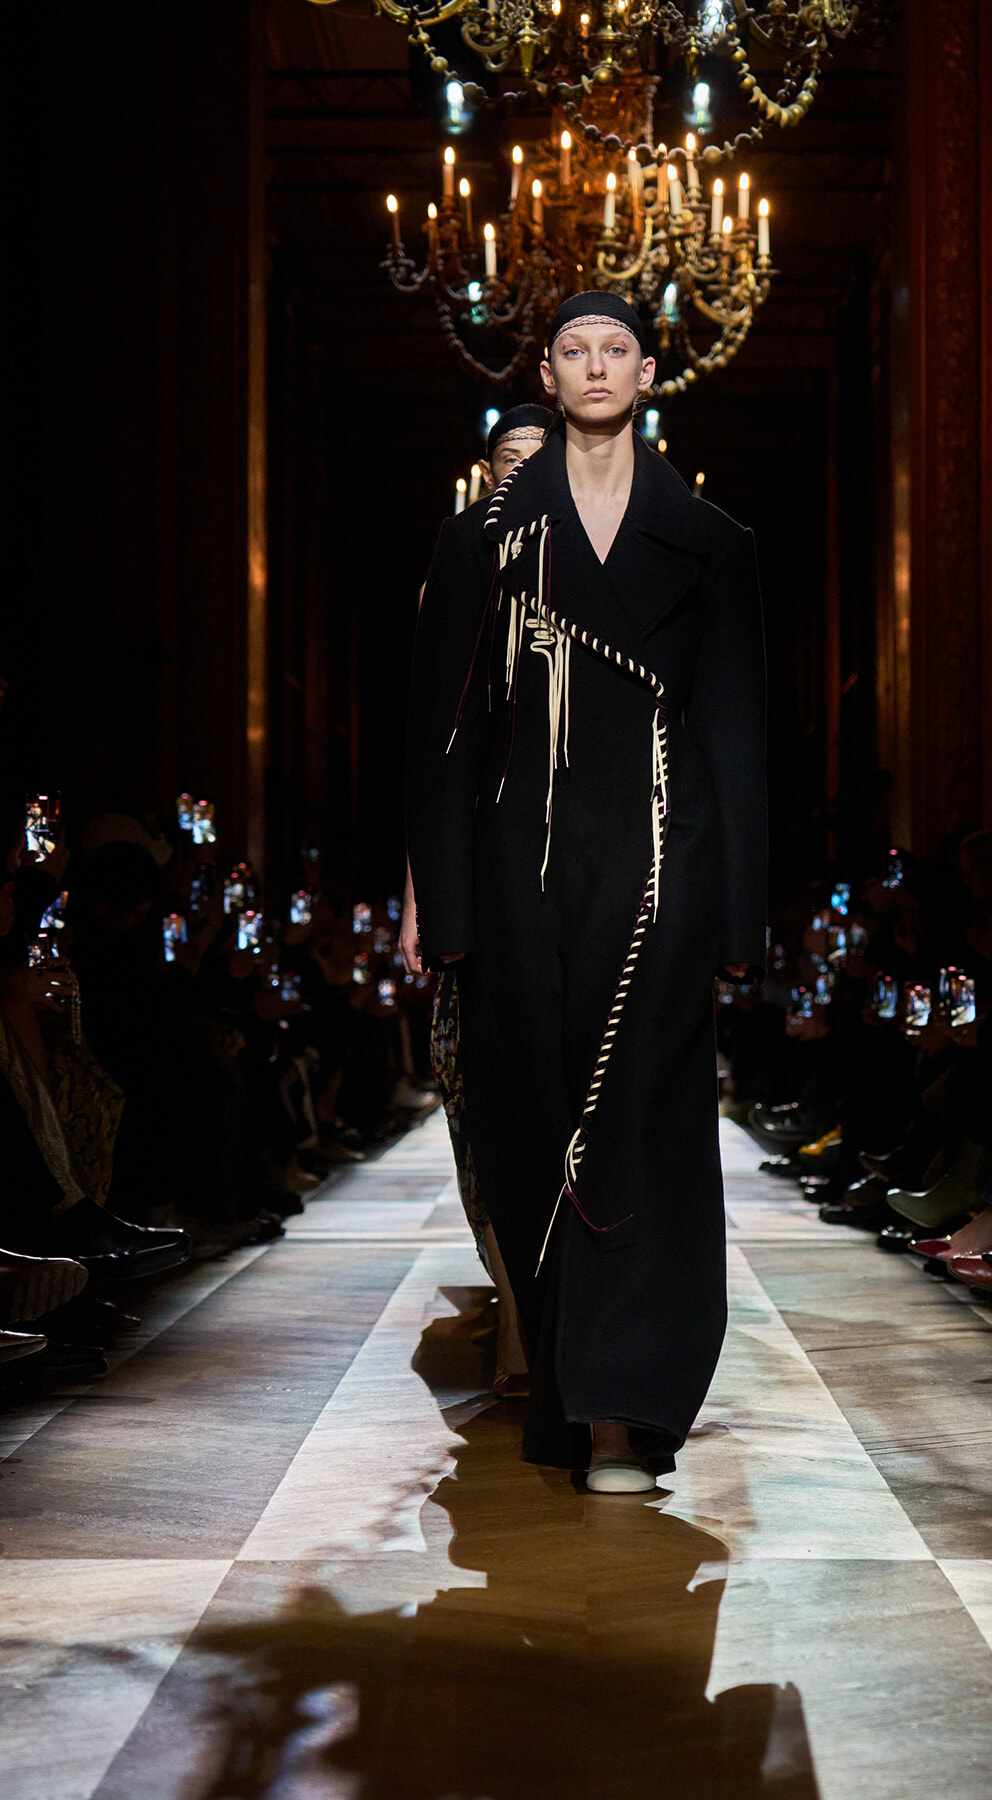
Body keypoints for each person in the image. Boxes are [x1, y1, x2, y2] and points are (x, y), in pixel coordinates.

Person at [406, 292, 767, 1492]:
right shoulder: (484, 544)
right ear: (548, 376)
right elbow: (444, 739)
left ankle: (623, 1409)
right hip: (522, 874)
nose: (597, 366)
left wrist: (737, 915)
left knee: (642, 1133)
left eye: (618, 349)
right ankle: (568, 1387)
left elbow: (734, 733)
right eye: (575, 351)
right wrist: (446, 910)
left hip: (663, 866)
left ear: (650, 372)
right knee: (527, 1124)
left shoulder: (710, 542)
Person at [401, 402, 554, 1399]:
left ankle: (554, 1319)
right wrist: (421, 899)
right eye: (507, 464)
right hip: (476, 896)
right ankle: (516, 1318)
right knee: (477, 1108)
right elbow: (431, 760)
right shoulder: (454, 581)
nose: (520, 481)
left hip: (570, 887)